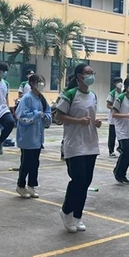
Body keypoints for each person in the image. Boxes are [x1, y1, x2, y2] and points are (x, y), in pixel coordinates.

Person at [56, 63, 102, 233]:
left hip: (91, 143)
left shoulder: (93, 95)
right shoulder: (70, 94)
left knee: (86, 182)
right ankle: (66, 211)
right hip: (75, 144)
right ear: (79, 76)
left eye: (92, 72)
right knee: (78, 180)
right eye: (88, 73)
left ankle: (77, 216)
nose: (91, 76)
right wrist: (78, 121)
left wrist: (95, 122)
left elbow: (91, 116)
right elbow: (58, 116)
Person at [15, 75, 51, 198]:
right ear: (32, 84)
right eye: (38, 82)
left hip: (38, 136)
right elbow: (21, 115)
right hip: (27, 137)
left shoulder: (42, 98)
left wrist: (46, 117)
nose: (41, 84)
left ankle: (31, 185)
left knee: (35, 162)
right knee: (26, 162)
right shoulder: (27, 98)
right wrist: (36, 114)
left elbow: (48, 112)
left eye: (42, 82)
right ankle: (20, 185)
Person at [106, 77, 123, 157]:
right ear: (114, 84)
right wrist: (116, 108)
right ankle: (111, 150)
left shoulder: (123, 93)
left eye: (120, 81)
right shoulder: (112, 93)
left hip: (121, 117)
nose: (119, 83)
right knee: (112, 135)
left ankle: (120, 147)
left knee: (121, 133)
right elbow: (108, 105)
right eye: (118, 82)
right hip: (113, 117)